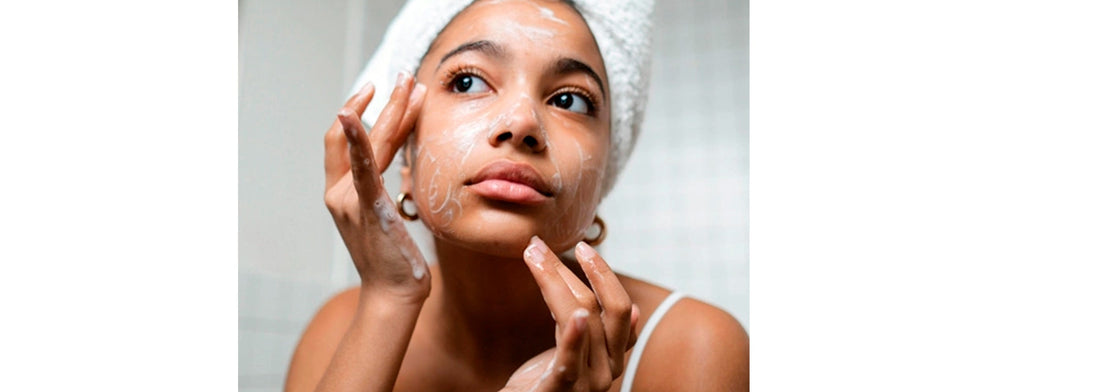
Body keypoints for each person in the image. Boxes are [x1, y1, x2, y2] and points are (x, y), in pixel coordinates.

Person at [285, 0, 748, 390]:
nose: (523, 122)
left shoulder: (695, 348)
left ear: (606, 172)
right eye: (468, 81)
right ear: (405, 152)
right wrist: (388, 299)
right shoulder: (340, 328)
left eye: (570, 99)